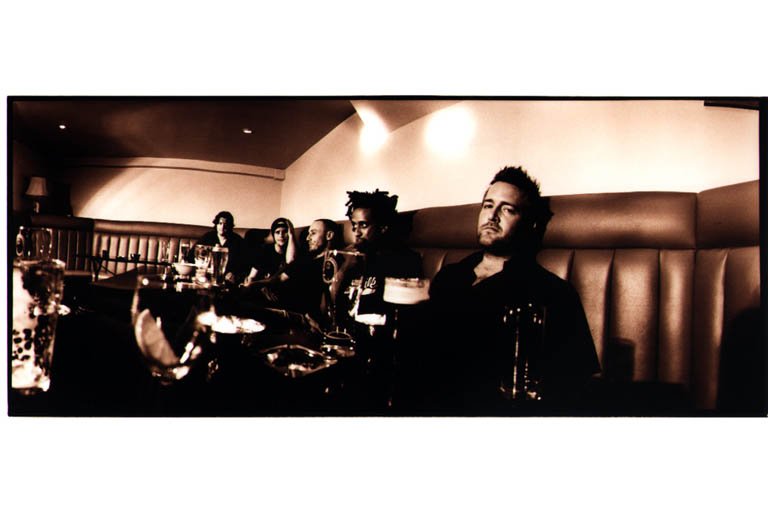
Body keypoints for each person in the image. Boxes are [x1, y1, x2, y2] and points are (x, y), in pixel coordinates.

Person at [427, 166, 600, 412]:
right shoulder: (448, 276)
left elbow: (573, 382)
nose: (492, 216)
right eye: (488, 205)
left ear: (529, 224)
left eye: (507, 209)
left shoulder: (552, 292)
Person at [335, 189, 423, 326]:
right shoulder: (353, 258)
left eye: (363, 225)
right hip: (343, 331)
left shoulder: (404, 260)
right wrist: (344, 268)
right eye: (354, 226)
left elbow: (402, 319)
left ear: (383, 227)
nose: (356, 233)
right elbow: (333, 307)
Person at [268, 218, 343, 321]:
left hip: (293, 313)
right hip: (273, 299)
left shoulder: (332, 263)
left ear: (329, 235)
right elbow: (280, 278)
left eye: (313, 233)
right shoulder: (306, 257)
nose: (308, 238)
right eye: (308, 234)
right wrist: (253, 285)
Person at [189, 211, 247, 283]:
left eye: (226, 224)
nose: (222, 227)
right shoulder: (207, 237)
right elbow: (192, 255)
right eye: (220, 223)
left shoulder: (237, 241)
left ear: (230, 226)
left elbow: (244, 264)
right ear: (216, 224)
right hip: (206, 277)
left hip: (228, 280)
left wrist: (234, 274)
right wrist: (201, 269)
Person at [243, 217, 297, 286]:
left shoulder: (293, 252)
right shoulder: (264, 250)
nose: (281, 235)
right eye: (277, 232)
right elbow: (252, 276)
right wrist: (249, 282)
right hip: (260, 287)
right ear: (273, 235)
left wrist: (291, 235)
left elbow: (290, 261)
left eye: (285, 232)